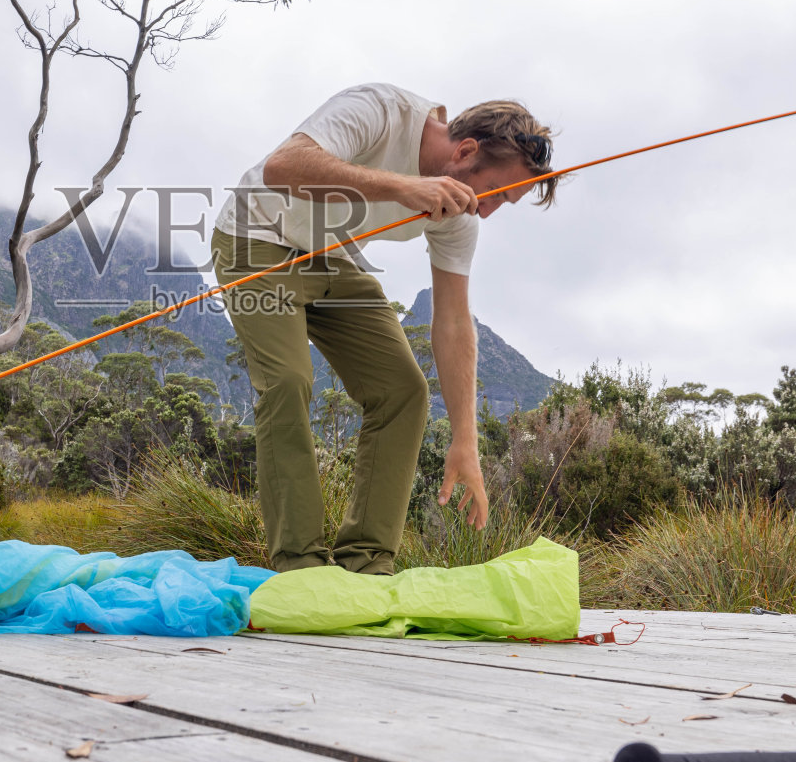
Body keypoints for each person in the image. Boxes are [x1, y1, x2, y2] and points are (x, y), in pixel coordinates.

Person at [211, 83, 557, 574]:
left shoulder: (460, 215)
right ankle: (300, 565)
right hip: (255, 236)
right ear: (465, 152)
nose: (487, 210)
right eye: (497, 193)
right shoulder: (380, 110)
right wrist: (403, 187)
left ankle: (367, 562)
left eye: (507, 203)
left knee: (403, 391)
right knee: (288, 380)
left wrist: (466, 441)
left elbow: (454, 320)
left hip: (331, 254)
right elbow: (282, 166)